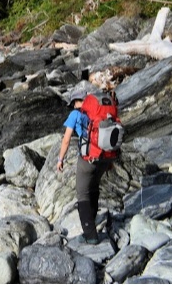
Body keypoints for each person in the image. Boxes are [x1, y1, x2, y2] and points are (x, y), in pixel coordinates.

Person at [57, 89, 113, 245]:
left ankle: (90, 235)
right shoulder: (99, 112)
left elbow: (66, 139)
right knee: (94, 188)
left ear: (76, 102)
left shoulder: (75, 114)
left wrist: (60, 159)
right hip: (105, 158)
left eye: (74, 102)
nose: (74, 105)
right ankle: (92, 223)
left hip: (88, 159)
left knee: (82, 194)